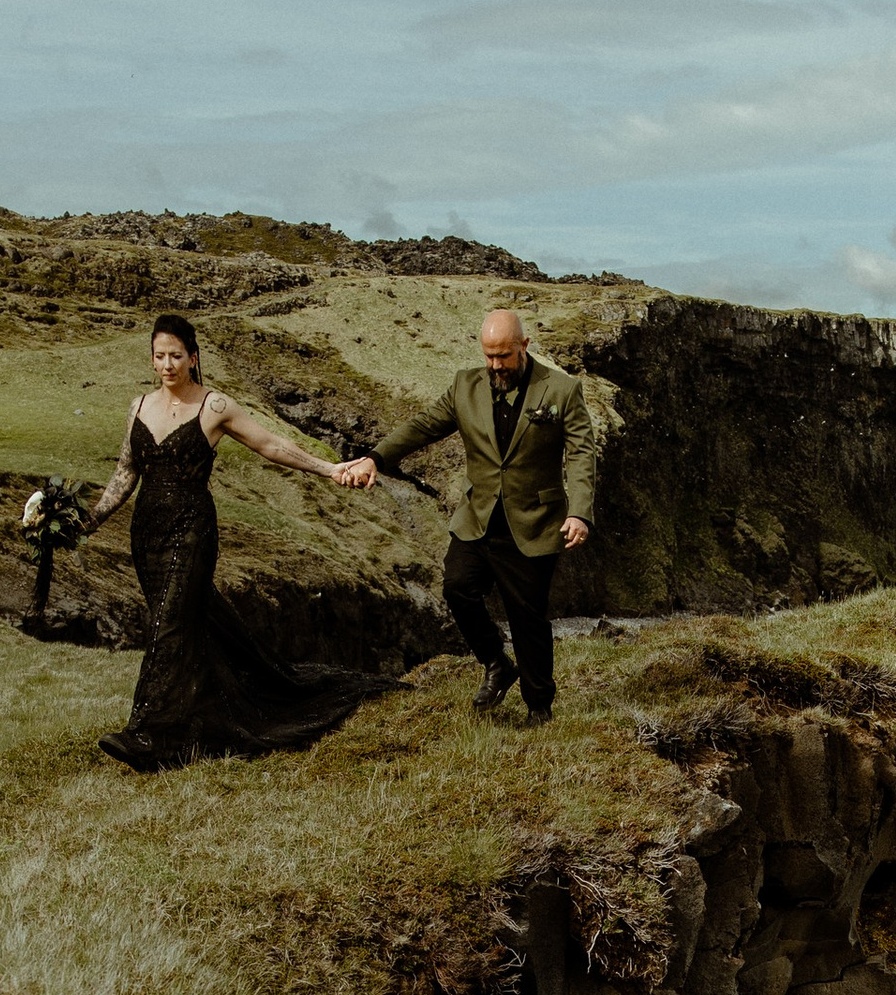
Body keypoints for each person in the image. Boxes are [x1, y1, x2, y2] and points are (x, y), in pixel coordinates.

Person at [71, 312, 383, 770]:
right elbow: (126, 472)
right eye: (159, 356)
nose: (167, 365)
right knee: (186, 623)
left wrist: (330, 469)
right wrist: (90, 520)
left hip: (192, 530)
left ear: (193, 358)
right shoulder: (139, 407)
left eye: (176, 355)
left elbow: (271, 445)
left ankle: (147, 734)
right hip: (147, 534)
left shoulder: (214, 407)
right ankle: (205, 717)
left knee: (170, 625)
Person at [368, 307, 599, 726]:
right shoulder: (464, 386)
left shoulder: (562, 390)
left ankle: (539, 708)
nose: (496, 365)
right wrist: (376, 457)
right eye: (489, 356)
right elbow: (423, 426)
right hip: (477, 518)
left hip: (534, 522)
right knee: (457, 587)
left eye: (504, 356)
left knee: (527, 617)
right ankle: (496, 662)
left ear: (524, 347)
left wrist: (580, 513)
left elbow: (582, 454)